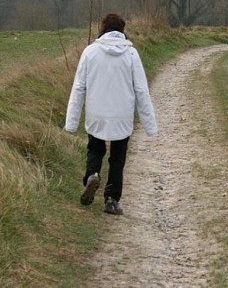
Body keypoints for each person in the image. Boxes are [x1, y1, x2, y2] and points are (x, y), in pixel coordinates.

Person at [65, 13, 158, 215]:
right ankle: (111, 199)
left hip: (96, 113)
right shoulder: (131, 54)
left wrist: (71, 122)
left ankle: (92, 175)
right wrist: (150, 126)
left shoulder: (90, 52)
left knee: (95, 150)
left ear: (102, 29)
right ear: (122, 31)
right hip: (122, 115)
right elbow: (141, 90)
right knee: (117, 158)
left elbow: (79, 87)